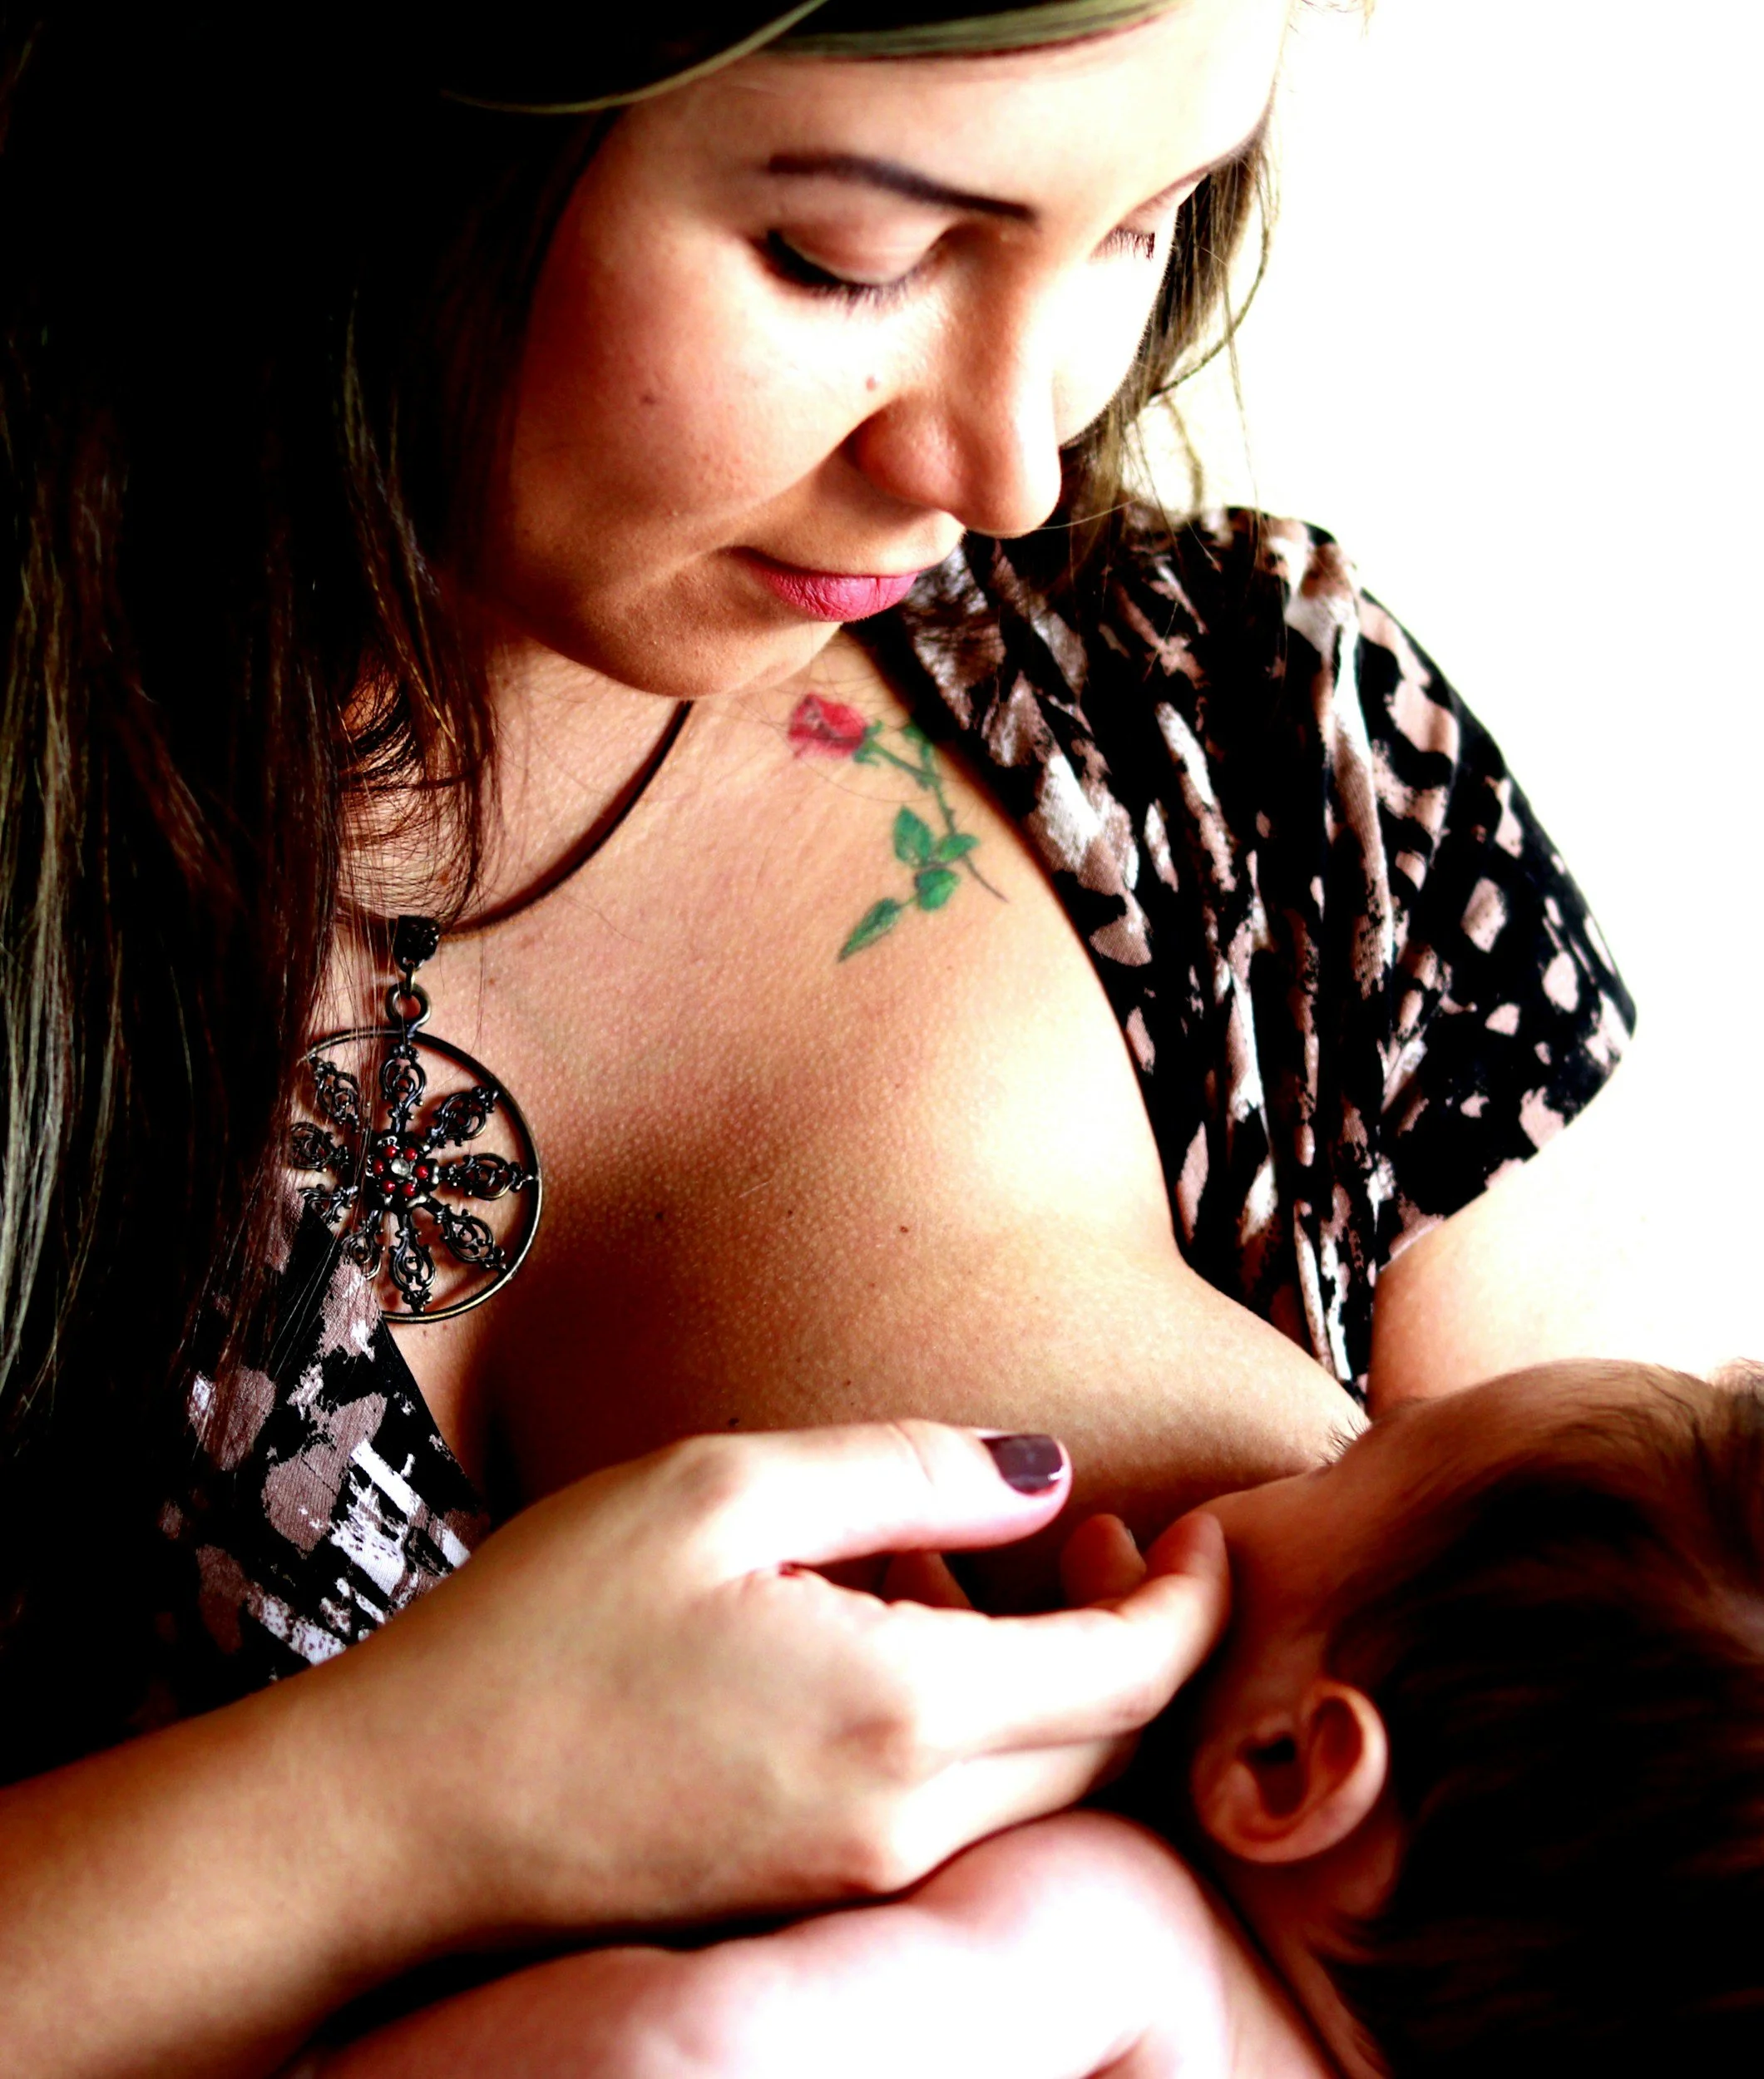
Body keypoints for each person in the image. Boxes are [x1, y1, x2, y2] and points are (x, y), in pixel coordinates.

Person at [0, 2, 1683, 2070]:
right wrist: (397, 1807)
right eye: (846, 261)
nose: (1010, 464)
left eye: (1142, 225)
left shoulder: (1274, 762)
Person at [309, 1360, 1764, 2077]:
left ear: (1283, 1765)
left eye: (1346, 1451)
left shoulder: (1118, 1941)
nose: (1306, 1437)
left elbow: (686, 2055)